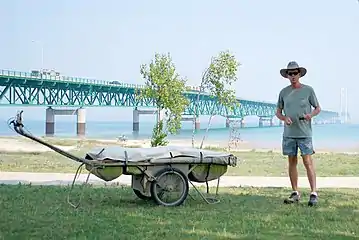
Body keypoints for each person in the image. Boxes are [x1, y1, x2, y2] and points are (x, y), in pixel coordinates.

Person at [276, 61, 321, 206]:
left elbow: (318, 108)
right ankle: (295, 192)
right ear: (287, 76)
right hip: (289, 134)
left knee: (308, 162)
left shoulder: (308, 90)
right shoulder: (283, 92)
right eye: (290, 73)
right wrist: (284, 118)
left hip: (304, 133)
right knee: (292, 162)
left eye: (295, 73)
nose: (293, 76)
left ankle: (313, 193)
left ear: (299, 74)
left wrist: (310, 115)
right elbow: (278, 112)